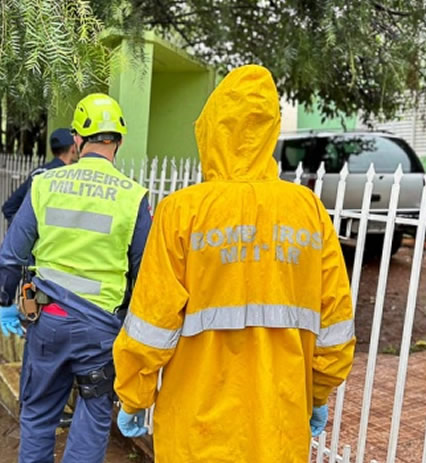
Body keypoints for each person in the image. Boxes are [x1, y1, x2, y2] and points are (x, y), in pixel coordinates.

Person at [111, 65, 356, 462]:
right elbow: (335, 323)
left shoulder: (181, 212)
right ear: (270, 130)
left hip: (196, 431)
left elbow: (152, 322)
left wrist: (134, 396)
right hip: (279, 424)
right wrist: (318, 392)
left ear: (210, 130)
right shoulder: (307, 211)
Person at [0, 93, 151, 463]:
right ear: (119, 141)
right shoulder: (133, 197)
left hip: (47, 321)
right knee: (93, 417)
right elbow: (144, 273)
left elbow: (12, 256)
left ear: (78, 139)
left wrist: (6, 301)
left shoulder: (45, 184)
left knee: (38, 415)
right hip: (101, 330)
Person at [2, 128, 79, 224]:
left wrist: (27, 229)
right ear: (73, 148)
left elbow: (9, 207)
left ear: (51, 151)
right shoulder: (73, 177)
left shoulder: (39, 173)